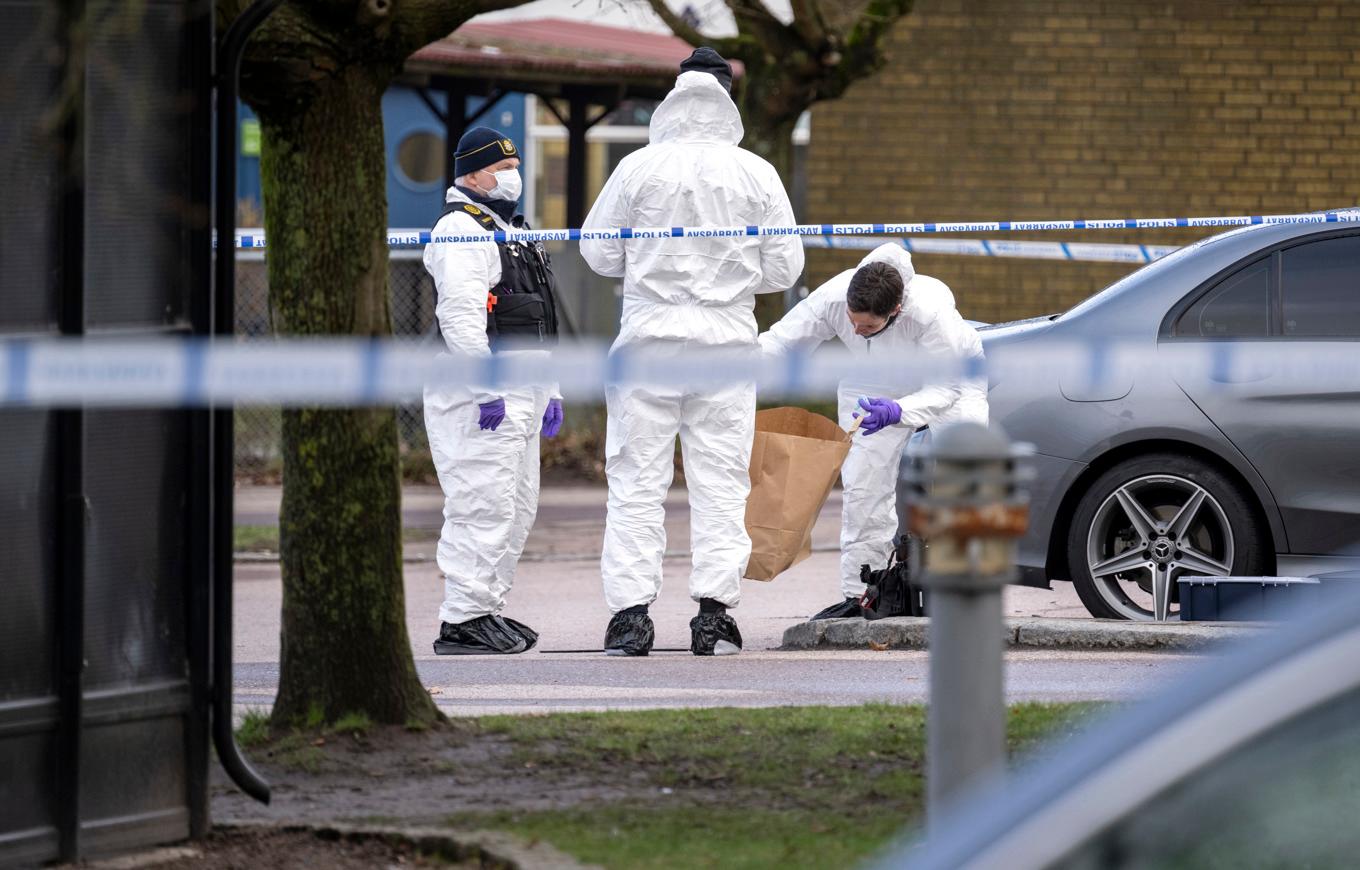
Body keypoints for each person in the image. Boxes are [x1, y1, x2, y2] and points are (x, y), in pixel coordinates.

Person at [580, 47, 805, 657]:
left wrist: (648, 265)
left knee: (634, 482)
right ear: (726, 99)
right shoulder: (756, 172)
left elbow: (598, 253)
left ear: (672, 98)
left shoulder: (636, 168)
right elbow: (785, 267)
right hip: (726, 344)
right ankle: (714, 618)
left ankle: (629, 618)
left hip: (647, 340)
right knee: (722, 486)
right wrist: (731, 274)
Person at [759, 243, 988, 618]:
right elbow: (784, 340)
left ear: (895, 311)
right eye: (852, 320)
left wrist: (901, 410)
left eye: (867, 326)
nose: (855, 329)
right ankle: (863, 592)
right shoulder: (835, 296)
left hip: (953, 379)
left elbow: (945, 389)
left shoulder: (930, 314)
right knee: (863, 484)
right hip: (874, 379)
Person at [423, 126, 564, 654]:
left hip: (522, 389)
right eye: (502, 169)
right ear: (473, 173)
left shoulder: (511, 230)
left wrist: (551, 389)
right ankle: (462, 618)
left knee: (516, 506)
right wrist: (484, 390)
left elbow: (536, 318)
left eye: (514, 168)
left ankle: (487, 608)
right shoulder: (461, 230)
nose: (513, 178)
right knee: (481, 504)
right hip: (481, 393)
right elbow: (461, 320)